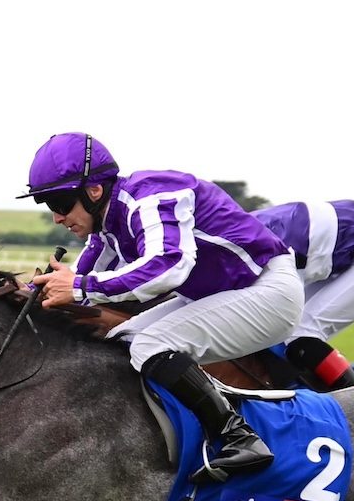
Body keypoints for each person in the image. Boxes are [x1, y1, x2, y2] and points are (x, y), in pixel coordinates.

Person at [22, 132, 303, 481]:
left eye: (60, 204)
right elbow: (81, 278)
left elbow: (169, 265)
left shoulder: (150, 196)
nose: (57, 218)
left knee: (149, 344)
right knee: (122, 340)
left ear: (93, 191)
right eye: (48, 206)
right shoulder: (107, 225)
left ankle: (239, 437)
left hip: (268, 290)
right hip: (223, 294)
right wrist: (35, 291)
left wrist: (79, 288)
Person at [249, 199, 354, 391]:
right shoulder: (229, 238)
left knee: (302, 331)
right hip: (335, 251)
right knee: (280, 331)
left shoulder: (248, 244)